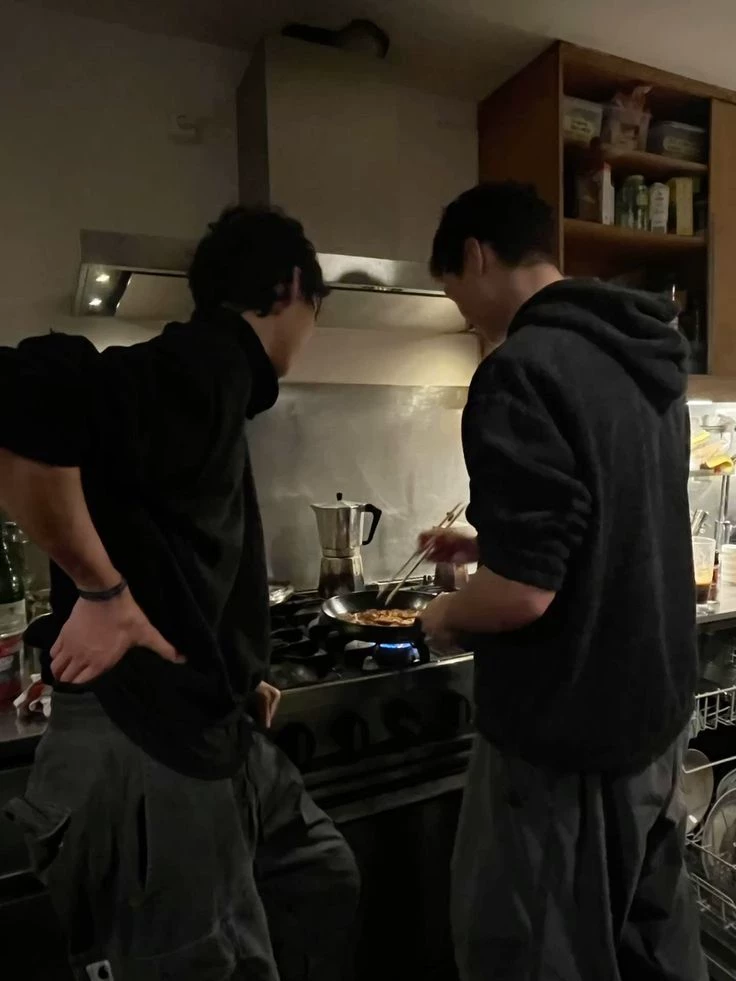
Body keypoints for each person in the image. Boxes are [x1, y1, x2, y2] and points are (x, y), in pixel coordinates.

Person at [1, 206, 359, 981]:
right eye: (316, 310)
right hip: (144, 747)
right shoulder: (206, 366)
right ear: (290, 289)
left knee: (319, 875)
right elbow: (23, 400)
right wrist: (100, 591)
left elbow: (168, 541)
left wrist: (229, 669)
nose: (311, 331)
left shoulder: (216, 383)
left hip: (201, 726)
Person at [419, 181, 705, 981]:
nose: (464, 314)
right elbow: (612, 522)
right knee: (653, 958)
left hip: (565, 749)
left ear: (476, 255)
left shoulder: (520, 368)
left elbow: (523, 595)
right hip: (652, 733)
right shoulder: (645, 357)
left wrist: (446, 611)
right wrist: (489, 544)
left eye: (455, 290)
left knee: (530, 958)